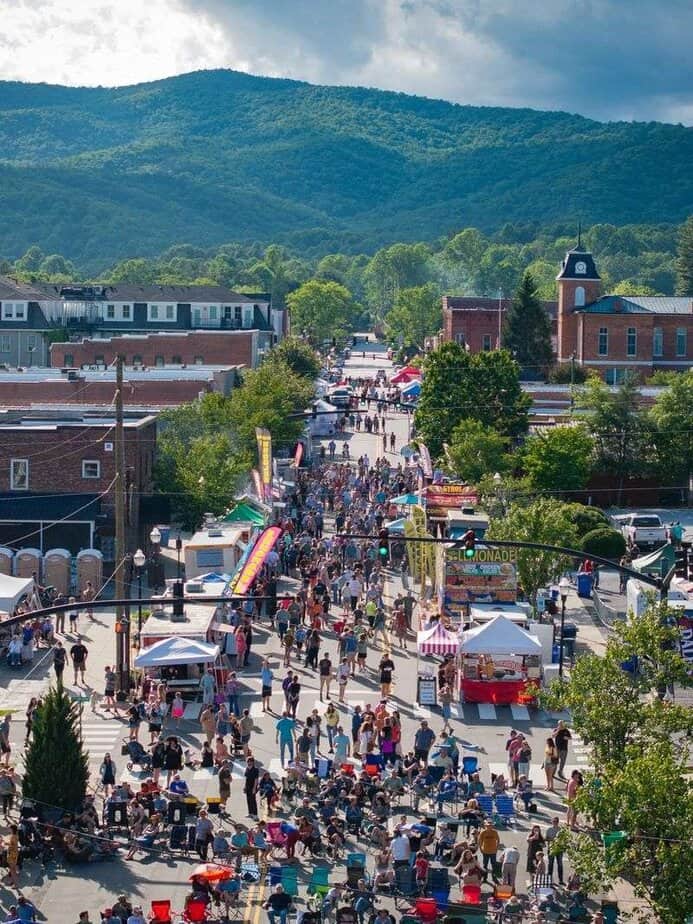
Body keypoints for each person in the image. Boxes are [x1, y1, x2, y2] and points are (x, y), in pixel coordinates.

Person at [478, 819, 500, 883]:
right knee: (485, 865)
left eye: (490, 825)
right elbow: (480, 841)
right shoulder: (483, 832)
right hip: (485, 851)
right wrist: (481, 848)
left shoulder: (495, 832)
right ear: (485, 826)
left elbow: (498, 840)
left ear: (492, 826)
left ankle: (494, 878)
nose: (489, 827)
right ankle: (484, 878)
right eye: (487, 826)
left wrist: (497, 848)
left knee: (494, 865)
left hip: (493, 852)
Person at [545, 816, 565, 884]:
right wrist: (553, 840)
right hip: (551, 848)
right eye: (553, 821)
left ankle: (561, 880)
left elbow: (564, 839)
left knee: (560, 864)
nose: (554, 823)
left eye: (556, 822)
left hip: (559, 849)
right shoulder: (549, 829)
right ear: (552, 822)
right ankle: (549, 879)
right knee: (550, 864)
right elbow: (546, 838)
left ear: (558, 822)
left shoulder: (561, 830)